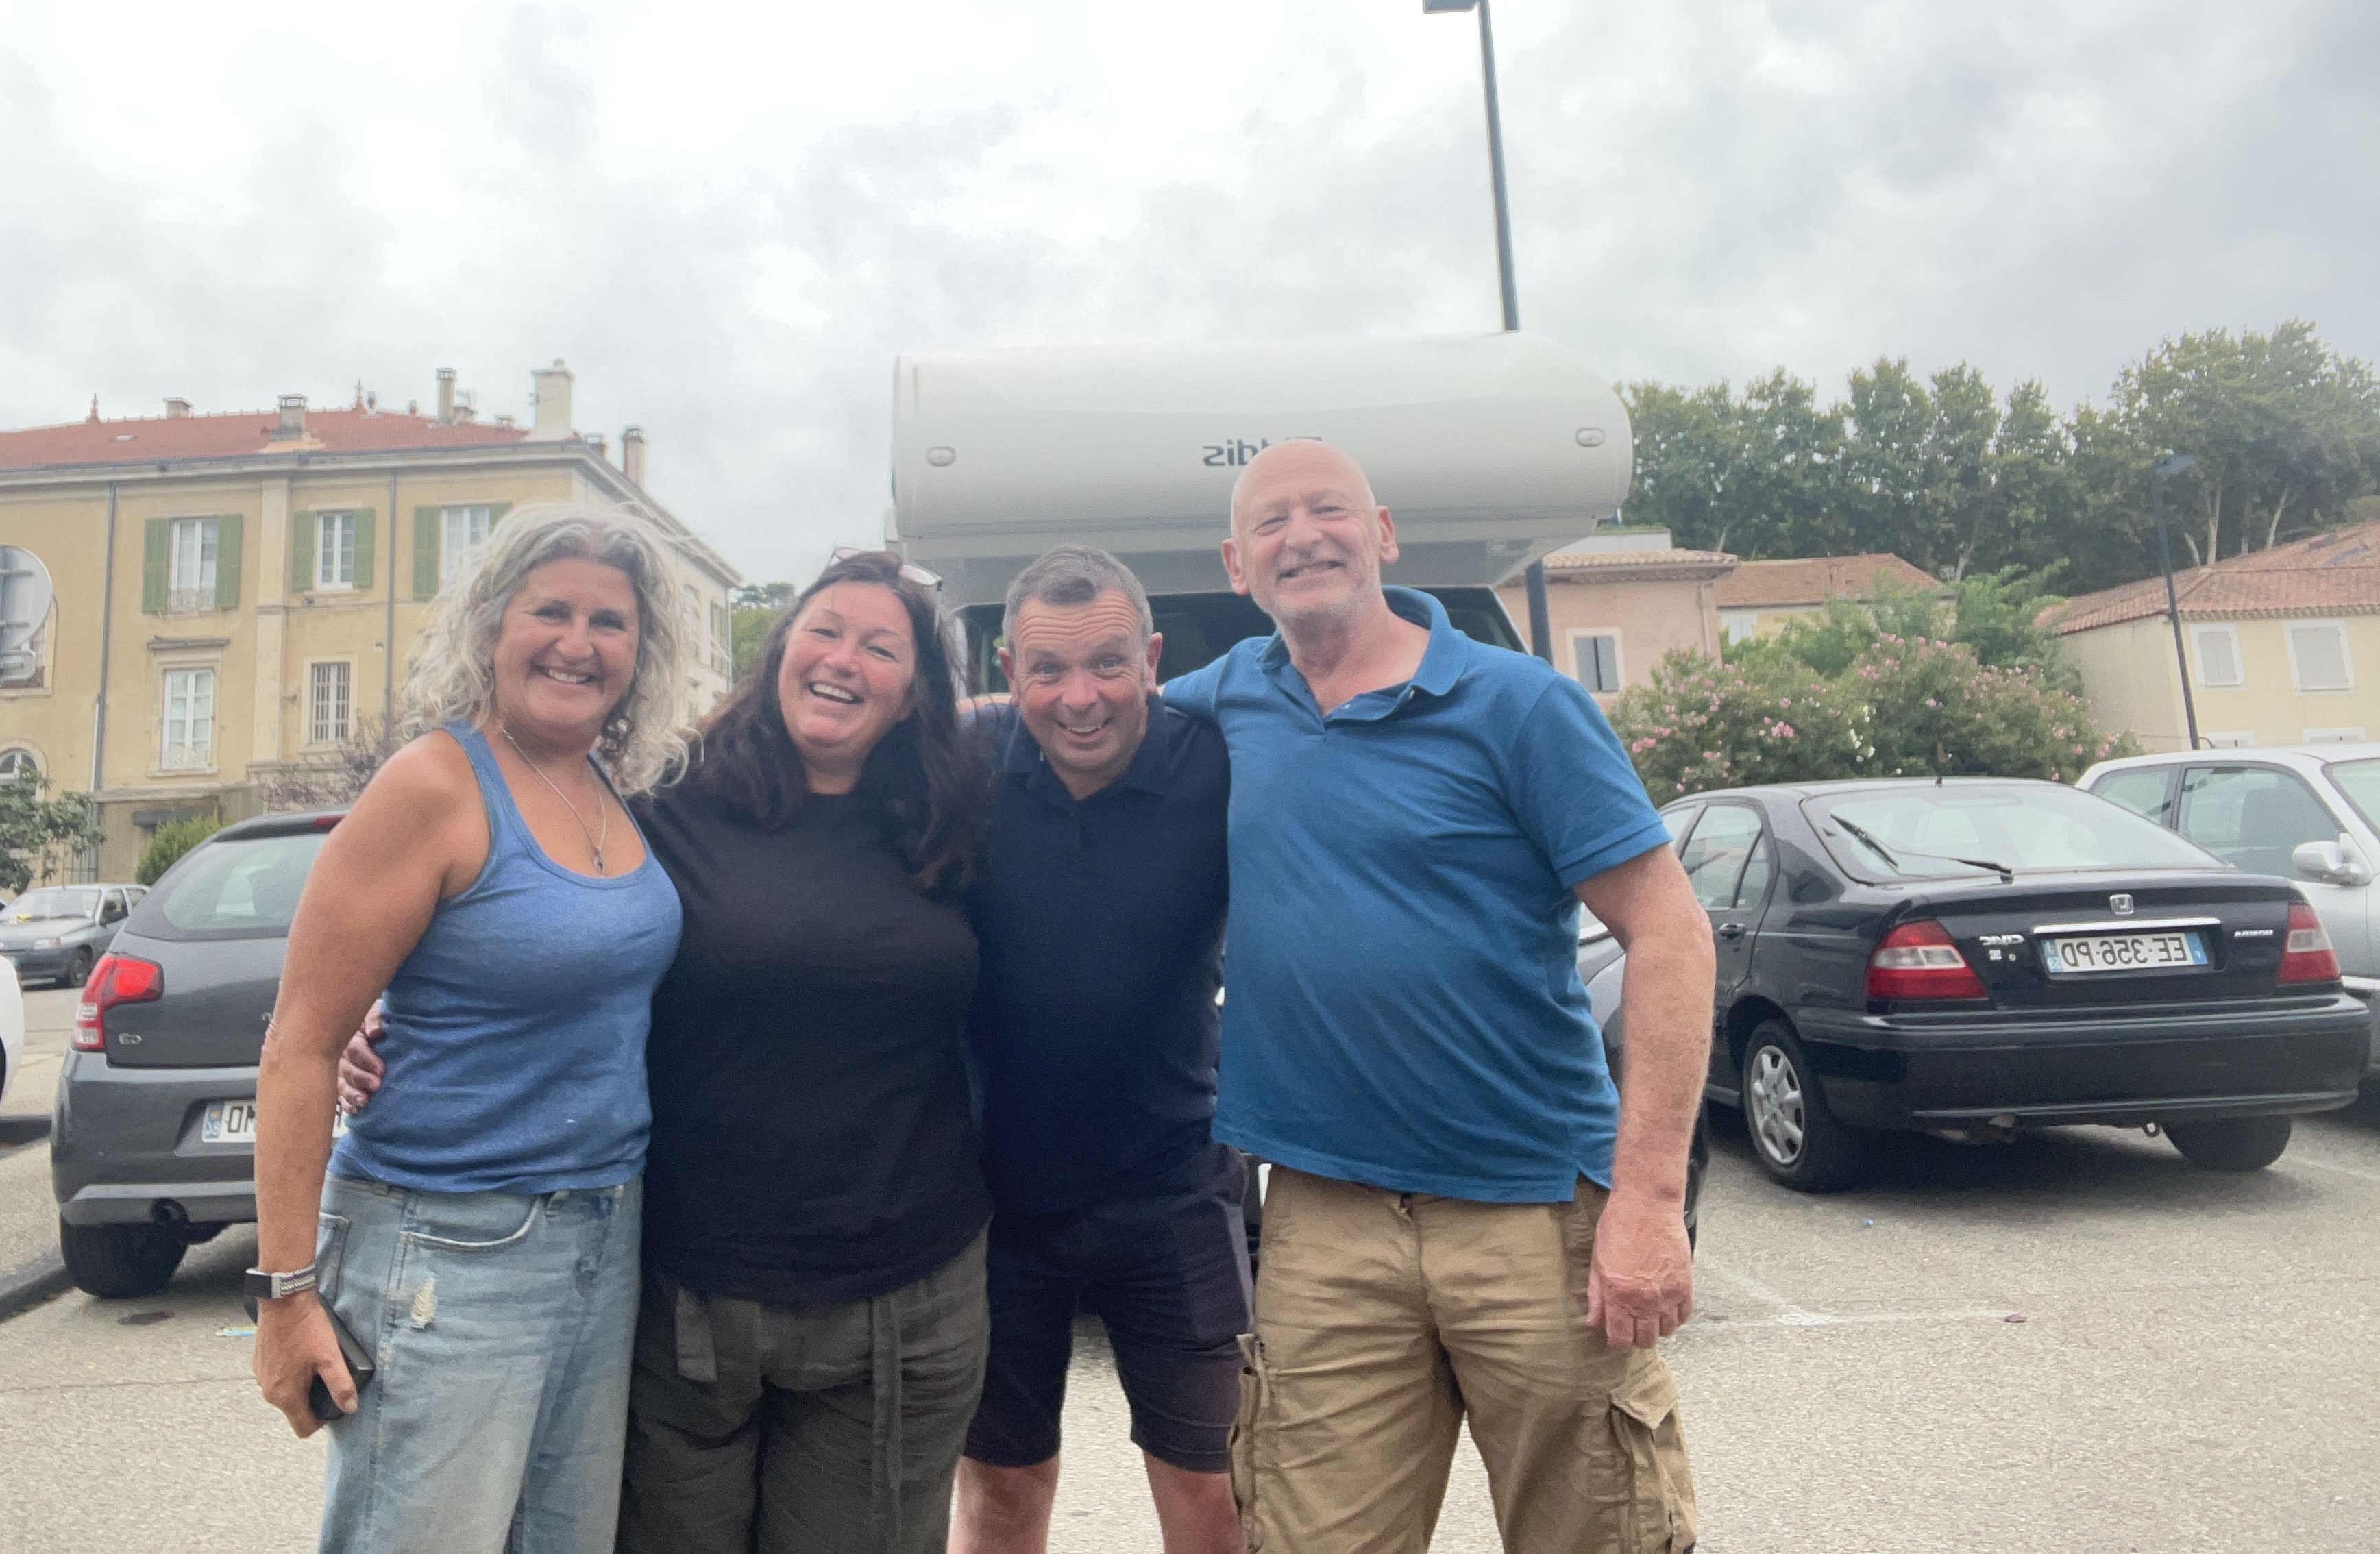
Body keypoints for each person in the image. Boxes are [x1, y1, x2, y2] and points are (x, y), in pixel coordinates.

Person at [345, 549, 995, 1554]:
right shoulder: (660, 797)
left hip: (899, 1300)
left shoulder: (956, 816)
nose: (843, 661)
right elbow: (531, 920)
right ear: (778, 652)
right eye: (824, 632)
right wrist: (374, 1008)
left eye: (881, 648)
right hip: (689, 1293)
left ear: (916, 693)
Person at [1159, 440, 1713, 1554]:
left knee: (1596, 1535)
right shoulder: (1227, 701)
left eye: (1329, 510)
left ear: (1384, 534)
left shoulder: (1522, 706)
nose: (1303, 537)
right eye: (1271, 522)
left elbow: (1670, 933)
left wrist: (1649, 1198)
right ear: (1236, 564)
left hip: (1534, 1209)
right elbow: (1068, 713)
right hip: (1325, 1219)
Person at [249, 506, 696, 1553]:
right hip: (446, 1248)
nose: (578, 643)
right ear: (492, 622)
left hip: (604, 1234)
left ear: (641, 653)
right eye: (550, 611)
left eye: (610, 622)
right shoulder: (435, 784)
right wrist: (285, 1295)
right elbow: (299, 1046)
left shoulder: (613, 788)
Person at [950, 546, 1245, 1554]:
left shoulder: (1217, 762)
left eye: (1109, 663)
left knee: (1216, 1491)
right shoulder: (964, 762)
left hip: (1174, 1183)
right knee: (1004, 1490)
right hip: (994, 1199)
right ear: (1008, 671)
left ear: (1153, 658)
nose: (1081, 698)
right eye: (1049, 669)